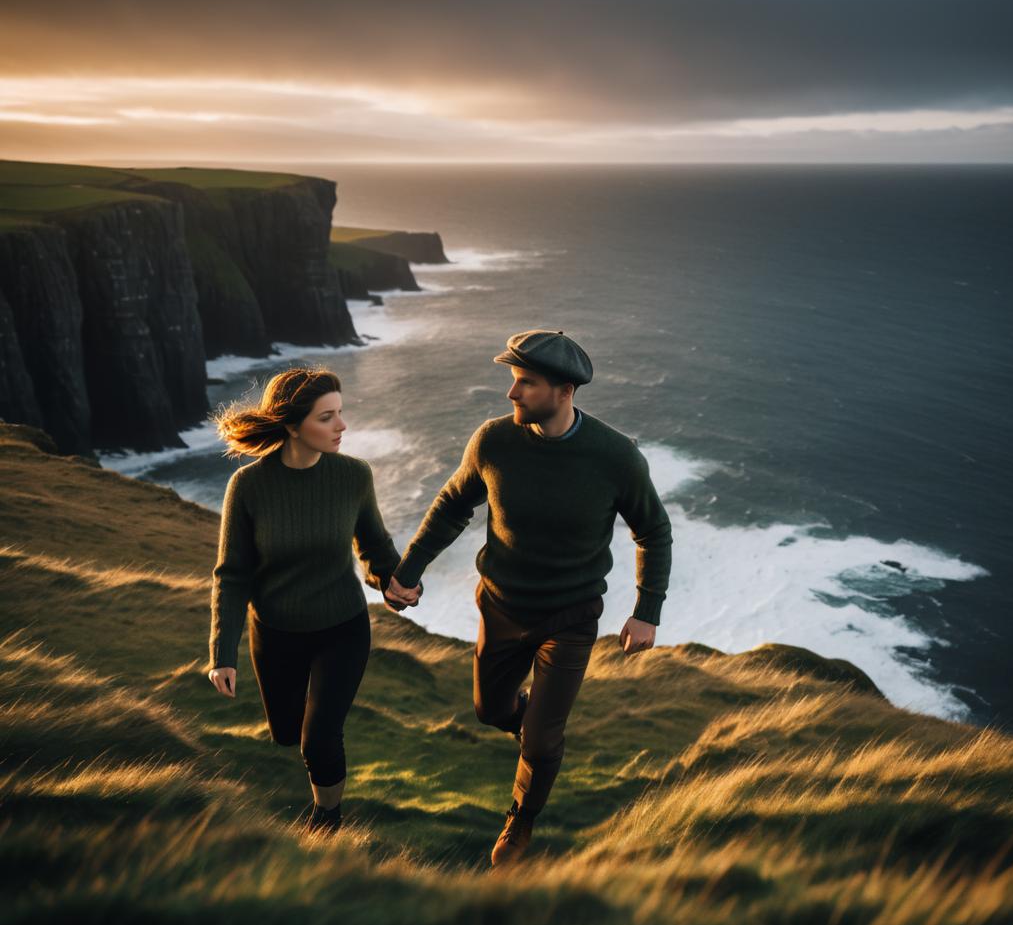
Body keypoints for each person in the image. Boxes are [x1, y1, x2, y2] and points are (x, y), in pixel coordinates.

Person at [386, 329, 672, 866]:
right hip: (501, 606)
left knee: (541, 742)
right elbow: (453, 504)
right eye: (513, 380)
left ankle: (520, 821)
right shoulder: (493, 441)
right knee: (489, 710)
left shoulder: (616, 456)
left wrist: (646, 612)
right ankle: (537, 727)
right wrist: (409, 570)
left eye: (525, 383)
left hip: (571, 615)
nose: (512, 394)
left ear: (564, 391)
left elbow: (653, 531)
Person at [206, 366, 419, 834]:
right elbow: (233, 574)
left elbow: (375, 549)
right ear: (291, 424)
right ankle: (310, 778)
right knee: (286, 733)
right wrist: (223, 655)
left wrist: (392, 581)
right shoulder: (248, 487)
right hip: (276, 633)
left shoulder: (353, 476)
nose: (342, 427)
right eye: (327, 418)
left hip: (342, 627)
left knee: (319, 738)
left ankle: (327, 818)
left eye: (340, 413)